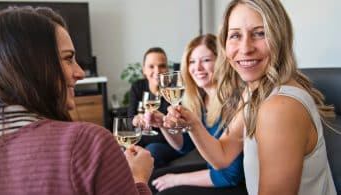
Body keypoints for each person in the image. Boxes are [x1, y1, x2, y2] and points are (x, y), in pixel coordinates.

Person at [0, 6, 153, 195]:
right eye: (68, 58)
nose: (80, 73)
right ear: (33, 66)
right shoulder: (89, 144)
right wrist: (138, 178)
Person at [163, 0, 337, 195]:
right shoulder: (254, 92)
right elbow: (222, 156)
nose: (245, 48)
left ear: (279, 37)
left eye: (260, 33)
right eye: (235, 35)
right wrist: (194, 124)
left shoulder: (280, 108)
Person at [148, 34, 245, 195]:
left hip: (235, 183)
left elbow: (231, 175)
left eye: (206, 60)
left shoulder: (234, 102)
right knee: (153, 180)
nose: (197, 68)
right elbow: (184, 146)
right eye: (192, 62)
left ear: (221, 62)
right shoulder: (201, 99)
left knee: (165, 192)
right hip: (216, 171)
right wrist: (162, 125)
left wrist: (177, 179)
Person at [128, 47, 182, 168]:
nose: (157, 71)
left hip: (169, 142)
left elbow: (177, 128)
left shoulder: (174, 91)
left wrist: (161, 121)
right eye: (151, 66)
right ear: (144, 70)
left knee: (151, 151)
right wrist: (137, 119)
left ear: (167, 69)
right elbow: (131, 119)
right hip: (144, 138)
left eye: (162, 66)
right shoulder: (137, 87)